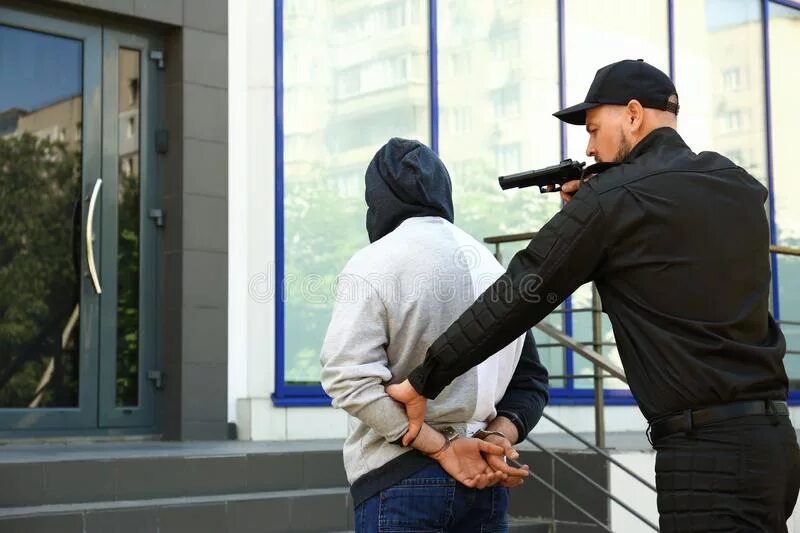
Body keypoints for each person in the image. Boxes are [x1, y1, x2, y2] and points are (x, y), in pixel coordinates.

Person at [386, 60, 800, 532]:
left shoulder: (611, 202)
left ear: (632, 114)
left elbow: (521, 292)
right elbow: (670, 253)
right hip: (773, 444)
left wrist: (424, 378)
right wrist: (596, 210)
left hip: (704, 458)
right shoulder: (735, 186)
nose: (588, 146)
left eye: (593, 128)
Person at [320, 138, 549, 532]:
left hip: (399, 478)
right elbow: (530, 382)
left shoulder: (375, 263)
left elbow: (346, 377)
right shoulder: (491, 268)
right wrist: (494, 440)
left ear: (378, 199)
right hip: (484, 478)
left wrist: (441, 448)